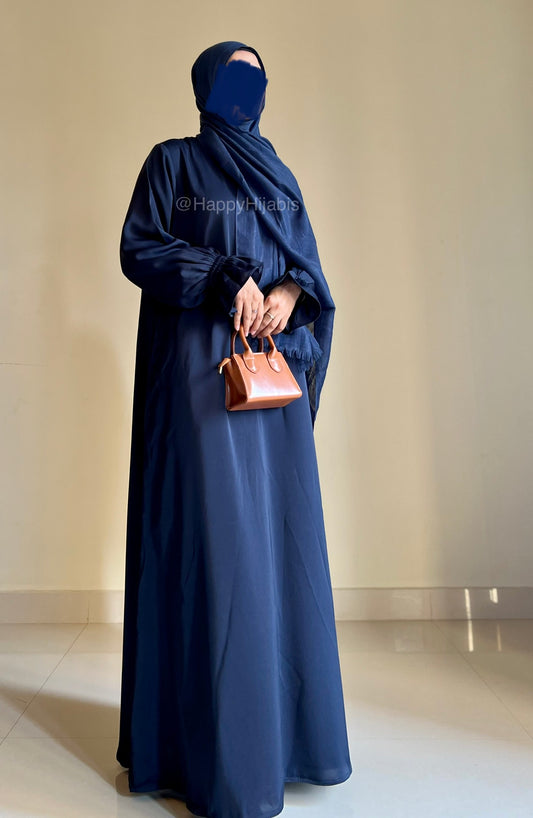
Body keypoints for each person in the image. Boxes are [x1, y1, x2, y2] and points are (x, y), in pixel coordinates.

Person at [116, 39, 352, 818]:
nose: (246, 86)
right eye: (232, 73)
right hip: (198, 374)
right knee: (214, 545)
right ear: (205, 85)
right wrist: (223, 277)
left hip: (271, 376)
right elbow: (141, 247)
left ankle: (281, 745)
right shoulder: (172, 163)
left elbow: (304, 267)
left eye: (256, 74)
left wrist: (286, 294)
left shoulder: (277, 173)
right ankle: (207, 754)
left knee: (275, 547)